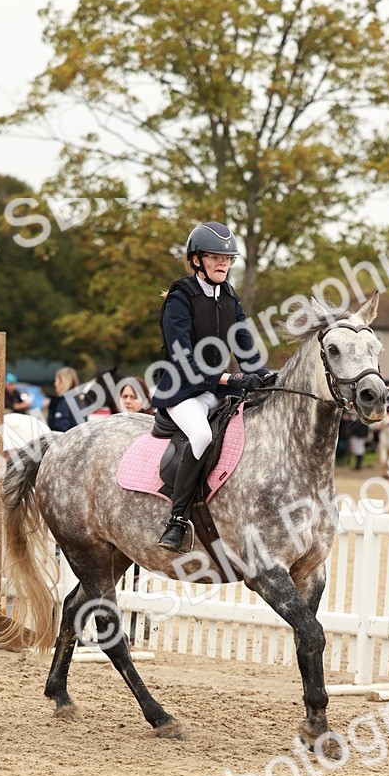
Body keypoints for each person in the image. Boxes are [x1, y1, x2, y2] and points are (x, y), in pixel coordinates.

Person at [151, 220, 277, 552]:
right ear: (197, 260)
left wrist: (265, 376)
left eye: (228, 259)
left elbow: (246, 348)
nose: (223, 264)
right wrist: (227, 379)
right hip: (181, 391)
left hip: (215, 391)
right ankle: (176, 521)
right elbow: (182, 357)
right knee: (202, 435)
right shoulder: (181, 296)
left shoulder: (230, 297)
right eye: (214, 257)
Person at [47, 367, 85, 433]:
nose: (55, 384)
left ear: (63, 382)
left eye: (56, 380)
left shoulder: (63, 402)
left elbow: (60, 428)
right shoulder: (78, 399)